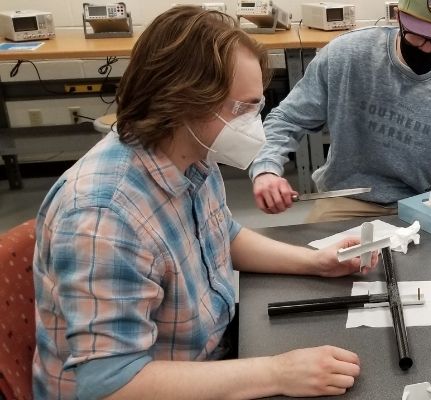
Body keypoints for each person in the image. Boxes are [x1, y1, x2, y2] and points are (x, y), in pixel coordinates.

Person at [32, 7, 376, 399]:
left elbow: (222, 235)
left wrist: (315, 262)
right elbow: (110, 385)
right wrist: (276, 373)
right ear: (183, 101)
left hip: (203, 357)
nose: (253, 125)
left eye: (256, 108)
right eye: (240, 109)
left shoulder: (193, 151)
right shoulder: (104, 218)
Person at [250, 0, 431, 222]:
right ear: (399, 18)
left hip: (423, 207)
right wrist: (266, 169)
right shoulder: (347, 55)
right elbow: (287, 119)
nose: (427, 49)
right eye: (417, 37)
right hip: (346, 199)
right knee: (314, 261)